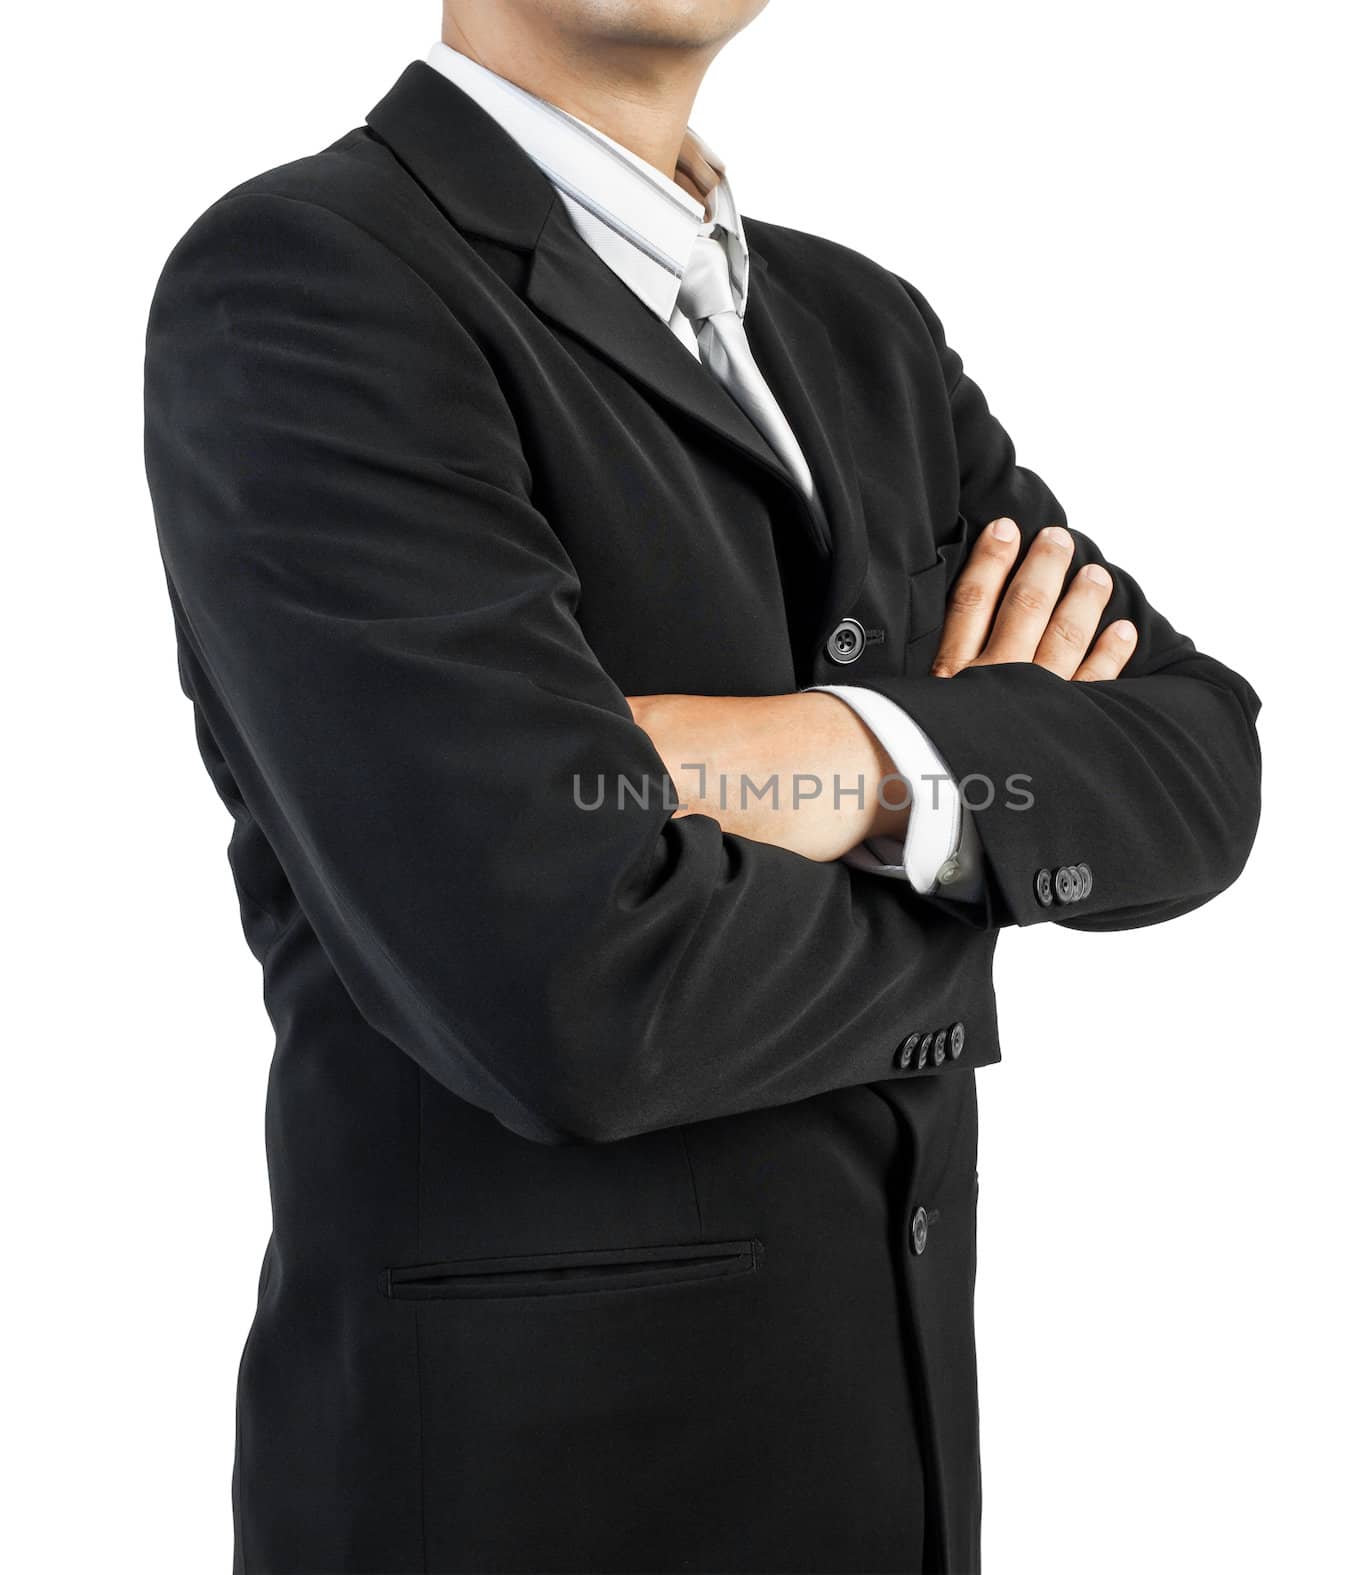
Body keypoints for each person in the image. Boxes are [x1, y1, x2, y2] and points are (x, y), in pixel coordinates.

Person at [143, 2, 1263, 1570]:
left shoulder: (860, 330)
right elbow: (570, 988)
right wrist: (976, 805)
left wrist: (835, 755)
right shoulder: (312, 282)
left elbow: (1201, 757)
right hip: (520, 1503)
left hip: (889, 1484)